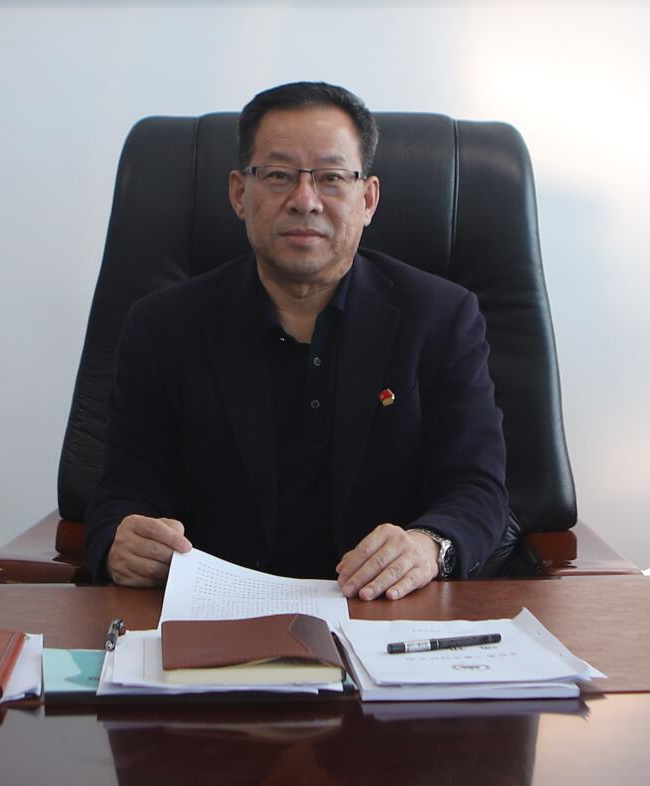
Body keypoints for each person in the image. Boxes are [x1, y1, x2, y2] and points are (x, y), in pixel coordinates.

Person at [85, 81, 507, 601]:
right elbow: (123, 489)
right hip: (217, 616)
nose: (305, 201)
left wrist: (429, 545)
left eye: (332, 178)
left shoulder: (442, 318)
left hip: (383, 613)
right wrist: (119, 540)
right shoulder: (161, 327)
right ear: (239, 194)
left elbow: (477, 488)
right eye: (279, 175)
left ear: (368, 199)